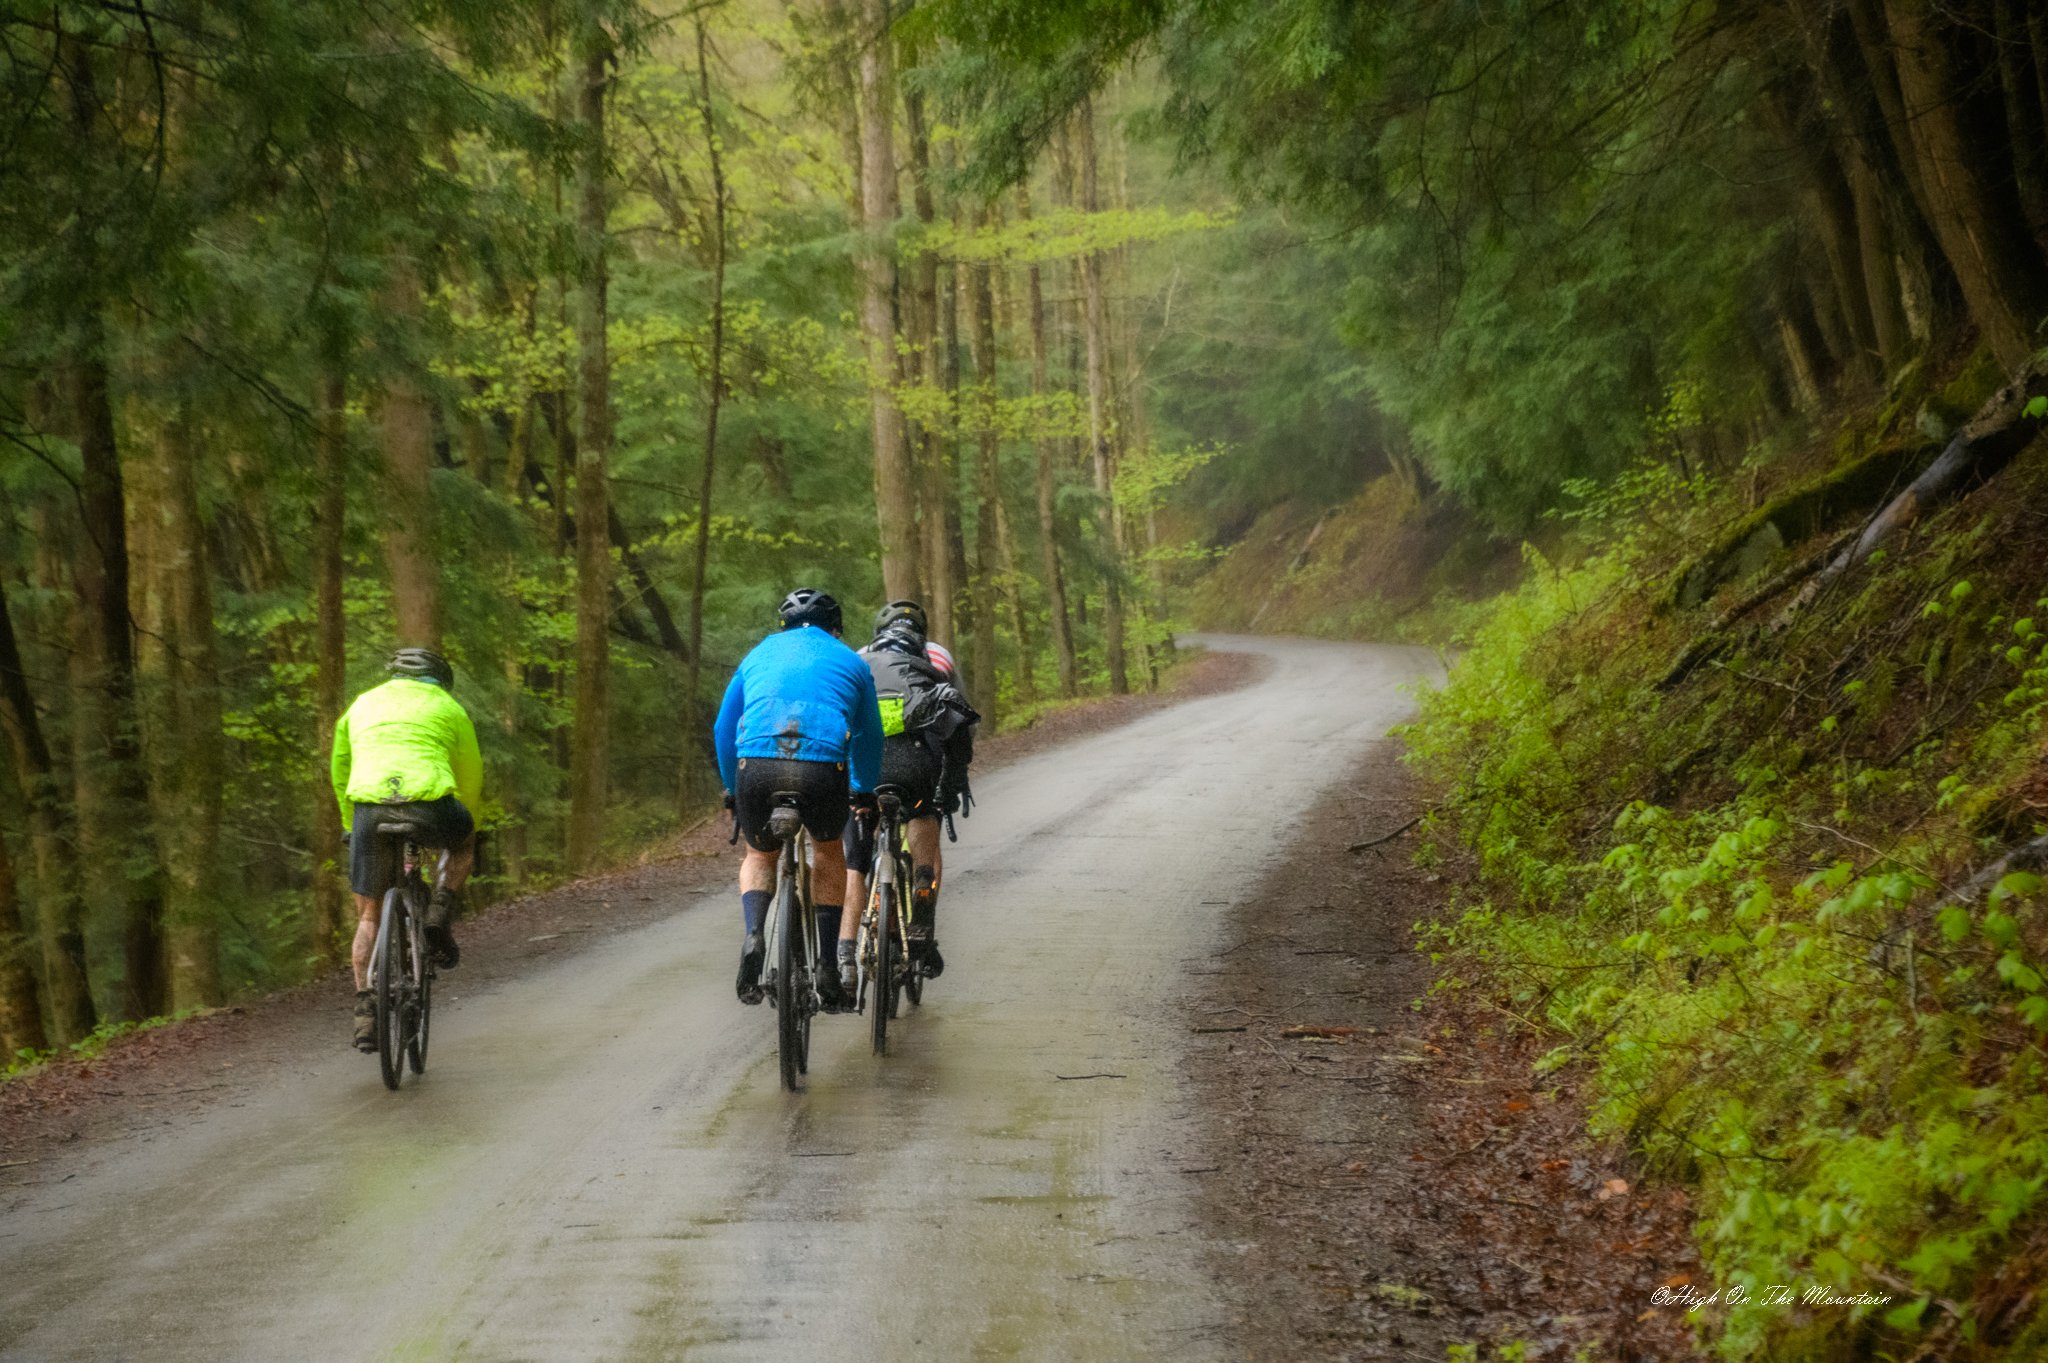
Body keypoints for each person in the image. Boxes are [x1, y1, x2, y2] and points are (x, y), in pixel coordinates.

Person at [713, 588, 883, 1011]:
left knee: (758, 855)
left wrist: (732, 790)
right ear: (836, 628)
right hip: (822, 769)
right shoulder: (851, 661)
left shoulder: (757, 654)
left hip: (757, 766)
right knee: (827, 853)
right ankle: (827, 963)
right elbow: (869, 735)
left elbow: (723, 727)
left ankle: (754, 933)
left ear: (782, 625)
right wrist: (863, 788)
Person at [330, 647, 482, 1052]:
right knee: (464, 841)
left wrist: (350, 824)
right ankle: (439, 909)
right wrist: (467, 821)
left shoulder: (361, 705)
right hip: (430, 805)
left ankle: (365, 1007)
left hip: (369, 809)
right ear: (438, 679)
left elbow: (340, 768)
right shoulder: (450, 708)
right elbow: (469, 774)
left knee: (368, 914)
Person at [840, 600, 977, 990]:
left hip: (865, 764)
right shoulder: (936, 657)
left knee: (854, 863)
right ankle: (922, 920)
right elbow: (958, 716)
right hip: (916, 760)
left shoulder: (858, 658)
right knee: (924, 818)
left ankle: (845, 954)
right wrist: (951, 784)